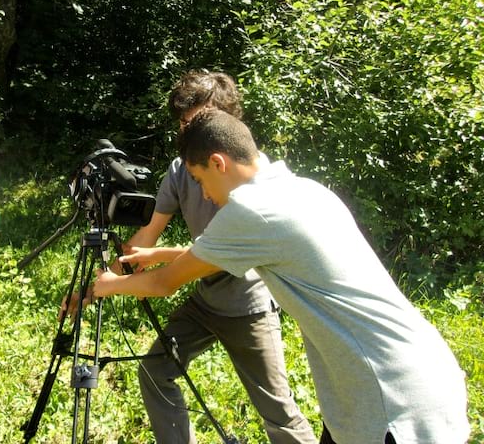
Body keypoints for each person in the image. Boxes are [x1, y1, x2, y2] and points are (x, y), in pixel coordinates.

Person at [92, 108, 471, 444]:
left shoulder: (249, 211)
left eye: (200, 179)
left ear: (219, 163)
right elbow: (230, 252)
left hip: (390, 404)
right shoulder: (303, 191)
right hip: (417, 377)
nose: (205, 196)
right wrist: (158, 253)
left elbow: (163, 283)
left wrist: (105, 285)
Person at [65, 71, 316, 443]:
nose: (187, 133)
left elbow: (202, 260)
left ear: (228, 119)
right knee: (155, 370)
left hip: (248, 307)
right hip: (205, 301)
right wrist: (90, 288)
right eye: (183, 124)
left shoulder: (254, 183)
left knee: (279, 415)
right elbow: (142, 243)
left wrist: (123, 281)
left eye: (197, 121)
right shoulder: (182, 170)